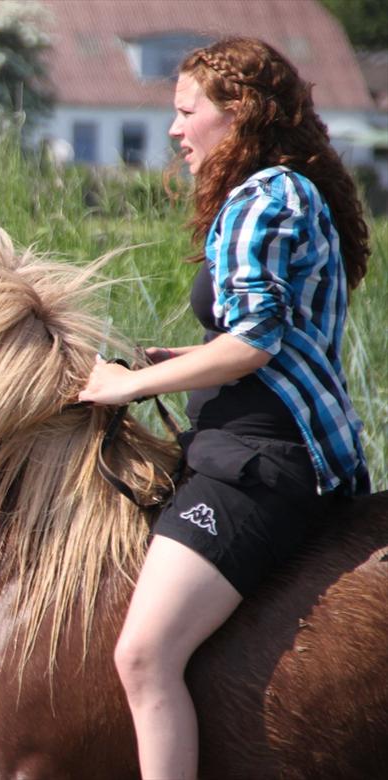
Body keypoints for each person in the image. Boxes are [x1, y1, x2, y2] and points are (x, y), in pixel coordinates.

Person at [78, 37, 371, 778]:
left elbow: (256, 344)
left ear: (238, 111)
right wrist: (184, 365)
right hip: (261, 439)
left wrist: (128, 386)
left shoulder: (262, 196)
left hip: (262, 460)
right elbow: (274, 339)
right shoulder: (291, 190)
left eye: (187, 111)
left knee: (143, 656)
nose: (176, 130)